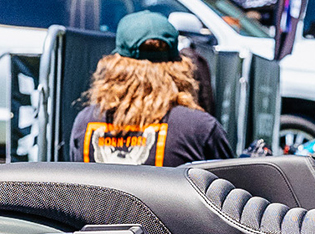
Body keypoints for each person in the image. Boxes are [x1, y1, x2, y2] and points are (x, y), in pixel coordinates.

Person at [70, 11, 233, 165]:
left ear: (114, 66)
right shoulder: (199, 128)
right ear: (180, 69)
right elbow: (228, 185)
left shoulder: (85, 122)